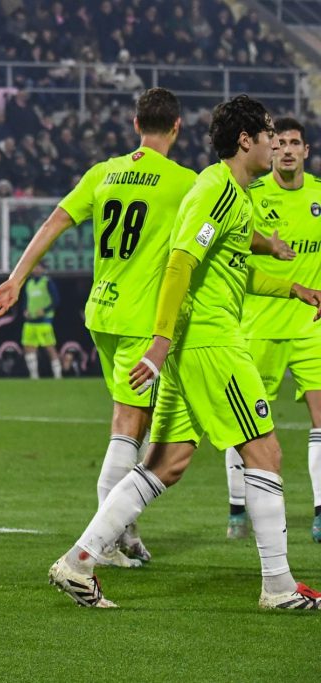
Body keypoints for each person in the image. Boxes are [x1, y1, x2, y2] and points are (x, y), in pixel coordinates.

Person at [0, 88, 290, 566]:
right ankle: (103, 545)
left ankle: (120, 537)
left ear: (135, 124)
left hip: (101, 311)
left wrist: (16, 278)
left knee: (149, 440)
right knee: (129, 429)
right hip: (146, 319)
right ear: (176, 127)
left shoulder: (103, 173)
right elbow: (216, 232)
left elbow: (55, 221)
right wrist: (268, 245)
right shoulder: (184, 181)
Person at [49, 95, 321, 610]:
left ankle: (78, 563)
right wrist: (159, 342)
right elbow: (180, 262)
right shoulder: (216, 189)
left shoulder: (233, 195)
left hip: (193, 346)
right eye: (269, 134)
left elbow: (232, 269)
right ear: (246, 140)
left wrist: (294, 289)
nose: (274, 143)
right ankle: (280, 586)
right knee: (265, 453)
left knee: (166, 463)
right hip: (211, 344)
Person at [226, 117, 321, 541]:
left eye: (294, 143)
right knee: (245, 422)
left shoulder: (320, 194)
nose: (286, 149)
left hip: (310, 325)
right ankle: (237, 510)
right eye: (279, 142)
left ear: (306, 151)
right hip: (259, 325)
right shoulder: (252, 194)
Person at [20, 262, 62, 379]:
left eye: (38, 267)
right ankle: (34, 375)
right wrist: (25, 310)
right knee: (29, 348)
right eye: (34, 267)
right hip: (30, 321)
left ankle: (58, 375)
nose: (36, 269)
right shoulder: (29, 283)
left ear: (43, 269)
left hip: (44, 321)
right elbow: (25, 300)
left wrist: (45, 310)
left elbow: (56, 300)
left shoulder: (47, 282)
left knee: (49, 348)